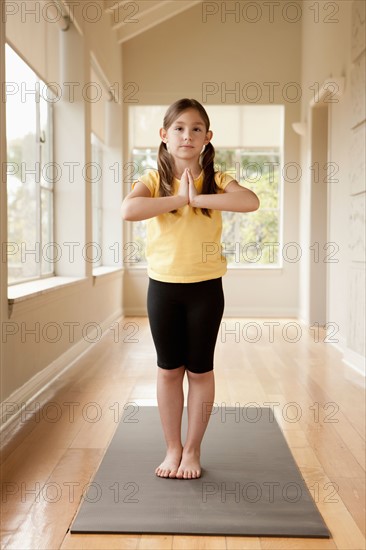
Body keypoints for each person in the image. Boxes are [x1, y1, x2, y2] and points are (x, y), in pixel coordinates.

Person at [121, 98, 260, 480]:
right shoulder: (152, 180)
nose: (187, 135)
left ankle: (193, 450)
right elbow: (128, 210)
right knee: (169, 370)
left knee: (199, 371)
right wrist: (178, 198)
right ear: (164, 136)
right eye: (179, 128)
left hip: (205, 289)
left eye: (196, 128)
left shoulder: (217, 178)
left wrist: (197, 197)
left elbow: (250, 201)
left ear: (207, 137)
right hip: (163, 288)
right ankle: (172, 448)